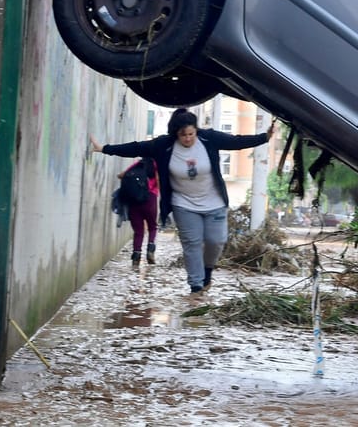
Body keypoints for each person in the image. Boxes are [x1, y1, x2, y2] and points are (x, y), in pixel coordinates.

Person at [90, 107, 274, 294]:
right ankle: (196, 287)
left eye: (191, 133)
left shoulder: (208, 138)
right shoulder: (164, 145)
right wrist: (105, 149)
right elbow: (136, 147)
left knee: (216, 241)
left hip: (214, 202)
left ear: (196, 130)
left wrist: (263, 138)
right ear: (175, 134)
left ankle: (207, 271)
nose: (187, 138)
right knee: (192, 243)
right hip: (183, 203)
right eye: (183, 135)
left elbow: (236, 141)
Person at [119, 157, 159, 267]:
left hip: (134, 201)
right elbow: (159, 180)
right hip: (150, 199)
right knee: (152, 227)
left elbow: (121, 175)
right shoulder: (157, 165)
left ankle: (136, 257)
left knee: (138, 231)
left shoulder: (137, 164)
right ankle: (150, 249)